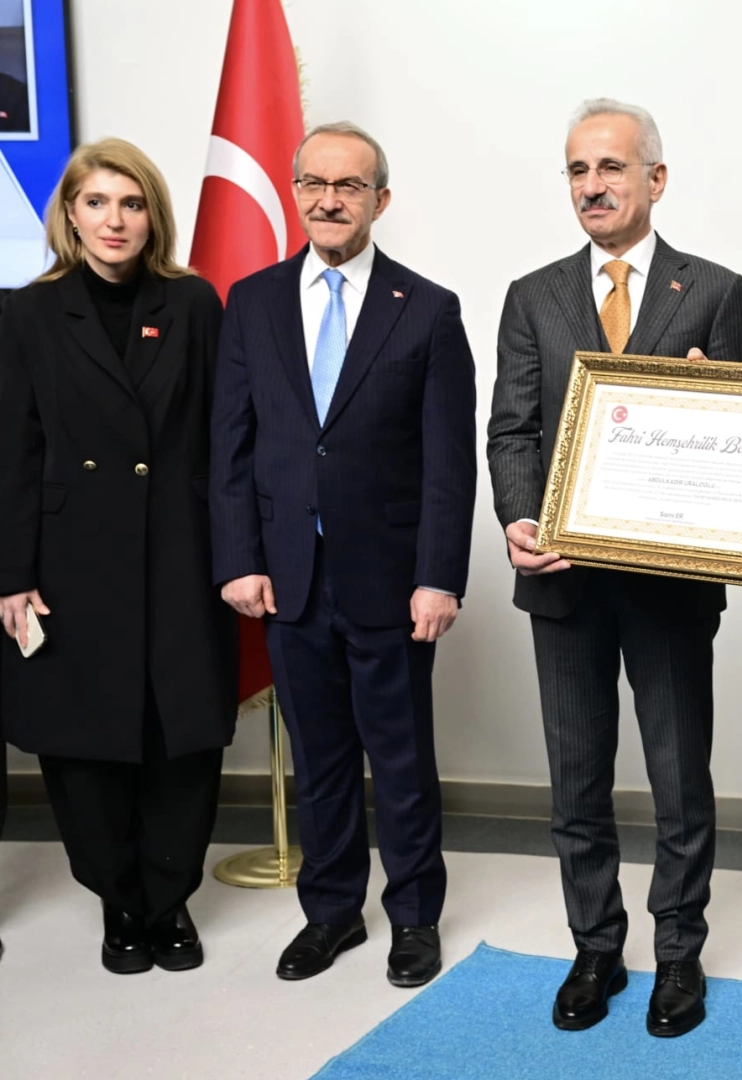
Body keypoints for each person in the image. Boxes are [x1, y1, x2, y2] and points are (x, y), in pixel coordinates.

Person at [487, 98, 742, 1039]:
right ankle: (594, 946)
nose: (592, 186)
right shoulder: (532, 295)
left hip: (668, 587)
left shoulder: (714, 290)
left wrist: (714, 402)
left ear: (655, 178)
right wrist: (520, 517)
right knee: (576, 780)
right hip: (561, 582)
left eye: (609, 166)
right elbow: (512, 430)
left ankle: (678, 952)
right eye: (576, 169)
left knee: (680, 780)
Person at [211, 121, 477, 989]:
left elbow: (447, 462)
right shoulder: (251, 301)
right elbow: (231, 443)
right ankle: (330, 913)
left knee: (400, 760)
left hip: (391, 581)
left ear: (380, 200)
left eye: (350, 186)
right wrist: (238, 558)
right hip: (287, 576)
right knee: (319, 761)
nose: (329, 200)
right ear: (295, 192)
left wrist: (438, 576)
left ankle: (413, 917)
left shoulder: (427, 309)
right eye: (315, 184)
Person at [0, 138, 237, 974]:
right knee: (85, 736)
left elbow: (224, 435)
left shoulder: (195, 302)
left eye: (131, 203)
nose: (115, 220)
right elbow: (14, 451)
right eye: (96, 202)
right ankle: (119, 899)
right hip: (72, 559)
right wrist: (11, 576)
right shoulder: (28, 313)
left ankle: (170, 900)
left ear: (153, 216)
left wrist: (237, 553)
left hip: (180, 547)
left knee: (182, 733)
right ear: (70, 215)